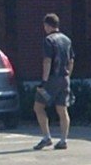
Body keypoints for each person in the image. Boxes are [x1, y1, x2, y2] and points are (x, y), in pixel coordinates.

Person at [32, 13, 75, 150]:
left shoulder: (48, 40)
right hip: (64, 78)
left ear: (47, 25)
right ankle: (63, 140)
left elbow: (47, 61)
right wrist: (68, 76)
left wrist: (44, 82)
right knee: (62, 109)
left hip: (51, 79)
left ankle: (46, 137)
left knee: (38, 107)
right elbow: (71, 61)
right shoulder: (67, 40)